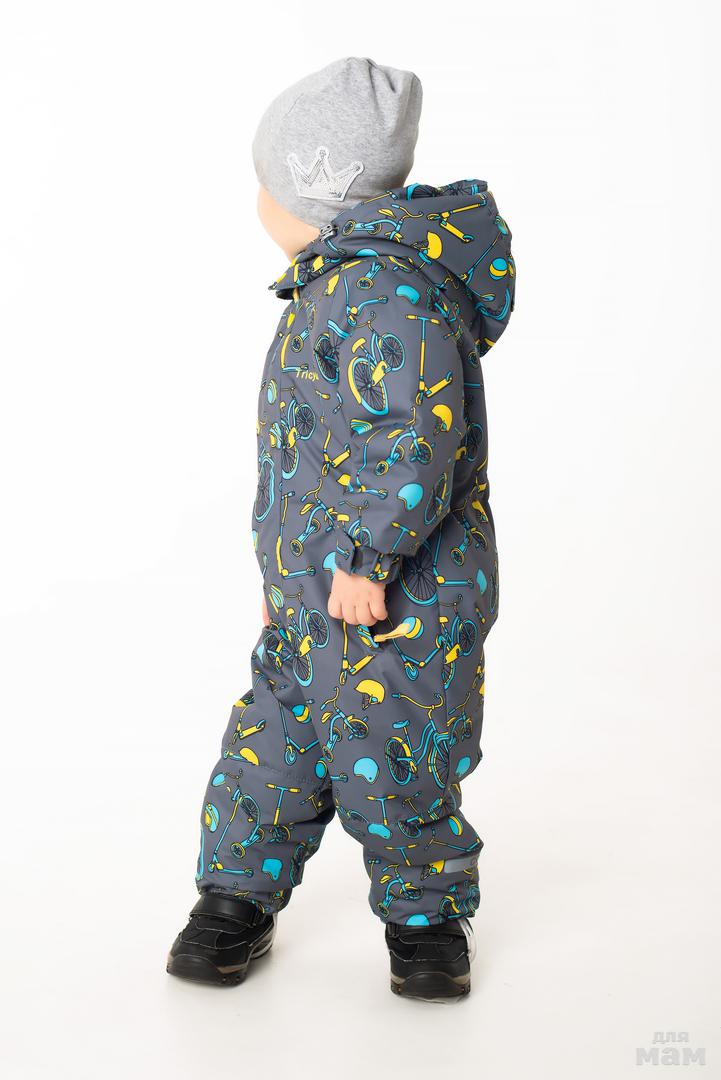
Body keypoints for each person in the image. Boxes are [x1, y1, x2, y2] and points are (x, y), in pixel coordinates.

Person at [167, 56, 515, 1001]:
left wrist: (368, 558)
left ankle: (426, 922)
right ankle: (234, 899)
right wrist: (300, 576)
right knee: (271, 743)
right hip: (313, 592)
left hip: (395, 597)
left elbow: (414, 438)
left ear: (313, 192)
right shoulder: (336, 285)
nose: (258, 201)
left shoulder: (384, 294)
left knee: (400, 751)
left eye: (267, 182)